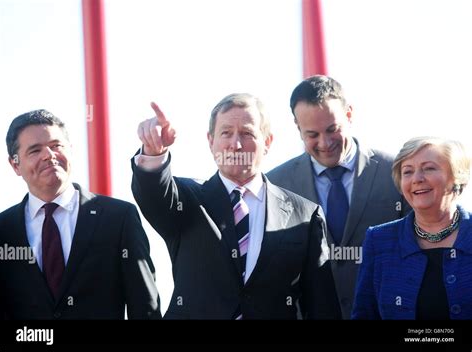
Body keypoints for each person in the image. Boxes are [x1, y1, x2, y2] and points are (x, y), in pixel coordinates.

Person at [131, 93, 340, 319]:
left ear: (267, 142)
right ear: (211, 141)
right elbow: (154, 194)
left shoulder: (305, 215)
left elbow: (323, 306)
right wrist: (154, 153)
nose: (236, 145)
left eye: (247, 133)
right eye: (226, 133)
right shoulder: (185, 201)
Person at [267, 75, 409, 319]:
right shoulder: (275, 185)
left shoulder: (398, 172)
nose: (325, 143)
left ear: (350, 114)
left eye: (332, 129)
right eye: (312, 134)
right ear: (297, 127)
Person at [0, 109, 161, 319]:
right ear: (15, 165)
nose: (49, 155)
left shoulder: (118, 218)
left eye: (56, 146)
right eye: (35, 150)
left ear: (70, 150)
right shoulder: (3, 230)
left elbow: (145, 307)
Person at [352, 137, 472, 319]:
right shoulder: (379, 240)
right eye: (408, 172)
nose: (417, 179)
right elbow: (364, 314)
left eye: (429, 168)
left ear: (456, 177)